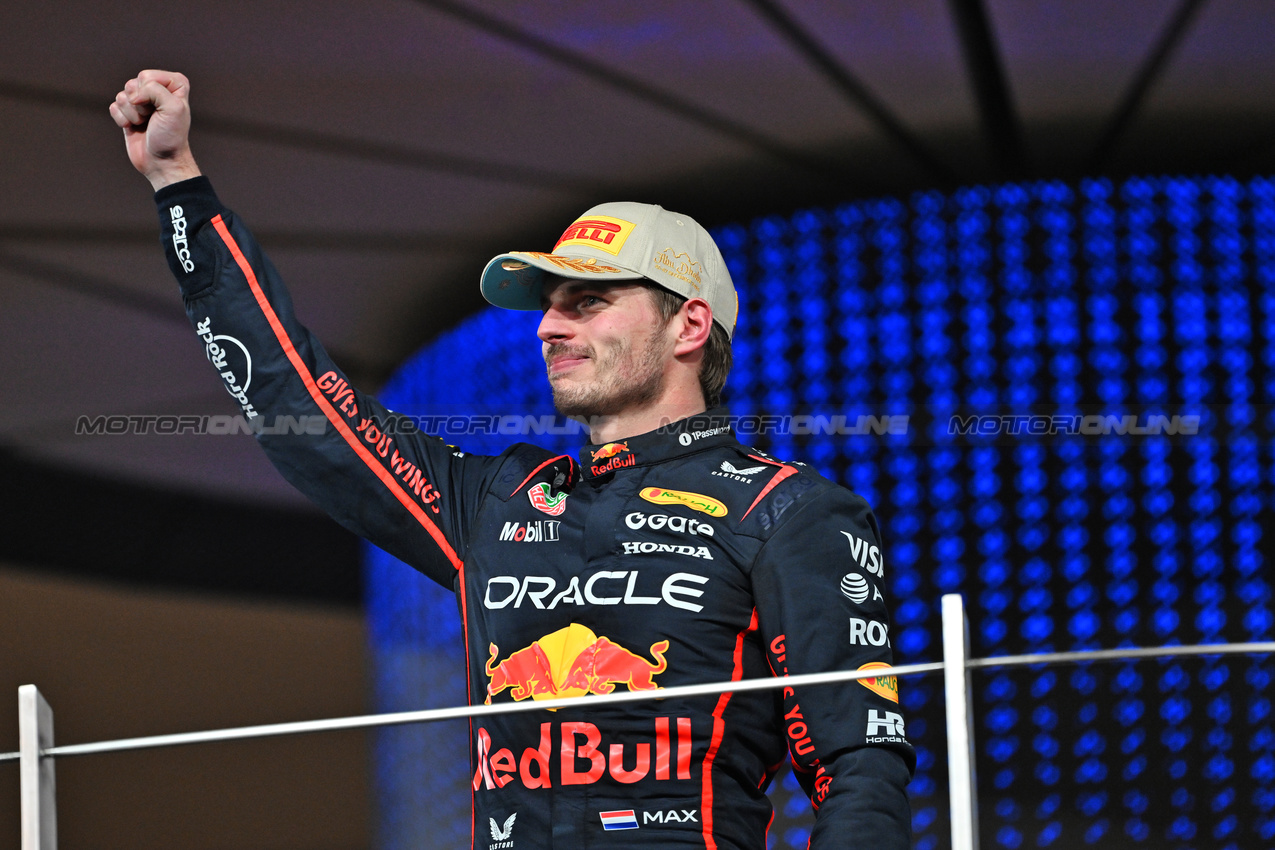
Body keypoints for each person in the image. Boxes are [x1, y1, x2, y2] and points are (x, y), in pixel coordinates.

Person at [111, 69, 915, 849]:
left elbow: (858, 766)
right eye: (548, 307)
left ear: (689, 327)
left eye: (588, 302)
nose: (547, 329)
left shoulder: (787, 509)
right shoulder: (497, 498)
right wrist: (179, 186)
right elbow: (300, 407)